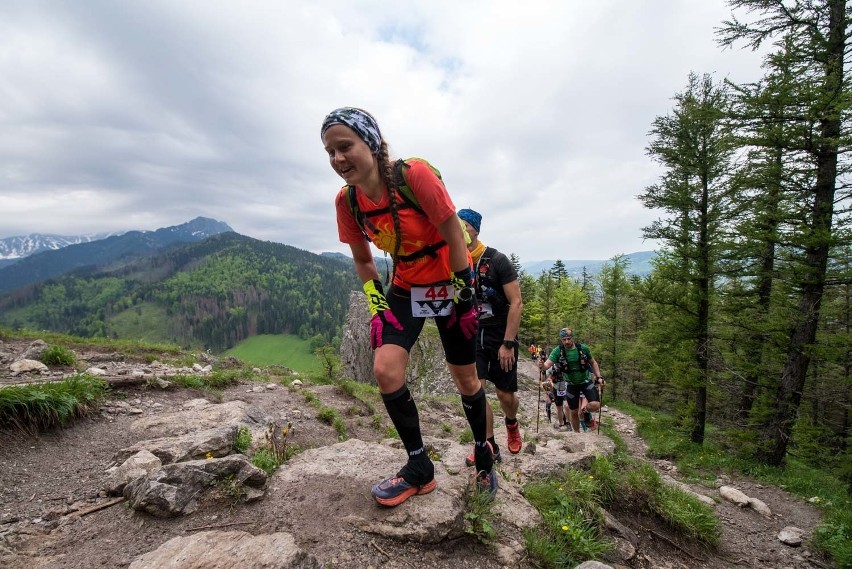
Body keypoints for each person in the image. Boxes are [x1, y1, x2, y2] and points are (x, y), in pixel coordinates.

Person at [322, 107, 496, 507]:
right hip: (405, 287)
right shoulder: (347, 202)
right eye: (330, 152)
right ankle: (420, 468)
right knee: (385, 371)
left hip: (450, 285)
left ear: (372, 143)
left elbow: (454, 232)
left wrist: (465, 293)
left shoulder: (414, 176)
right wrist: (378, 308)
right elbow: (364, 262)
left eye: (345, 147)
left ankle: (485, 454)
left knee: (467, 380)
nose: (338, 159)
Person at [457, 208, 524, 465]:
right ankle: (487, 444)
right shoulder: (455, 259)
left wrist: (508, 343)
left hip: (499, 332)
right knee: (476, 391)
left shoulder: (496, 260)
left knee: (505, 395)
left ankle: (511, 422)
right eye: (456, 224)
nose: (460, 229)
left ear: (475, 229)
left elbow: (516, 302)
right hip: (472, 333)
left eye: (464, 224)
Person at [539, 327, 605, 433]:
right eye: (564, 339)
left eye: (569, 339)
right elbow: (547, 365)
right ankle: (577, 433)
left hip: (585, 381)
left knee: (596, 404)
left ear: (572, 338)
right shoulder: (558, 351)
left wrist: (599, 377)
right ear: (561, 340)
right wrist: (542, 366)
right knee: (572, 411)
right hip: (570, 384)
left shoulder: (583, 349)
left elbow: (593, 362)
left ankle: (585, 411)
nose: (567, 341)